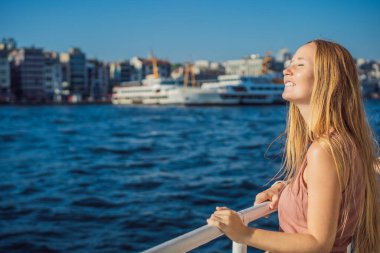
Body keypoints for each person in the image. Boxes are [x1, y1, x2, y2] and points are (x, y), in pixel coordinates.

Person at [207, 39, 380, 253]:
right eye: (289, 64)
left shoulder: (323, 150)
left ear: (328, 79)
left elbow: (318, 244)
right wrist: (289, 188)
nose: (285, 71)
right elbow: (328, 187)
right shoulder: (346, 143)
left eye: (299, 65)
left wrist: (243, 233)